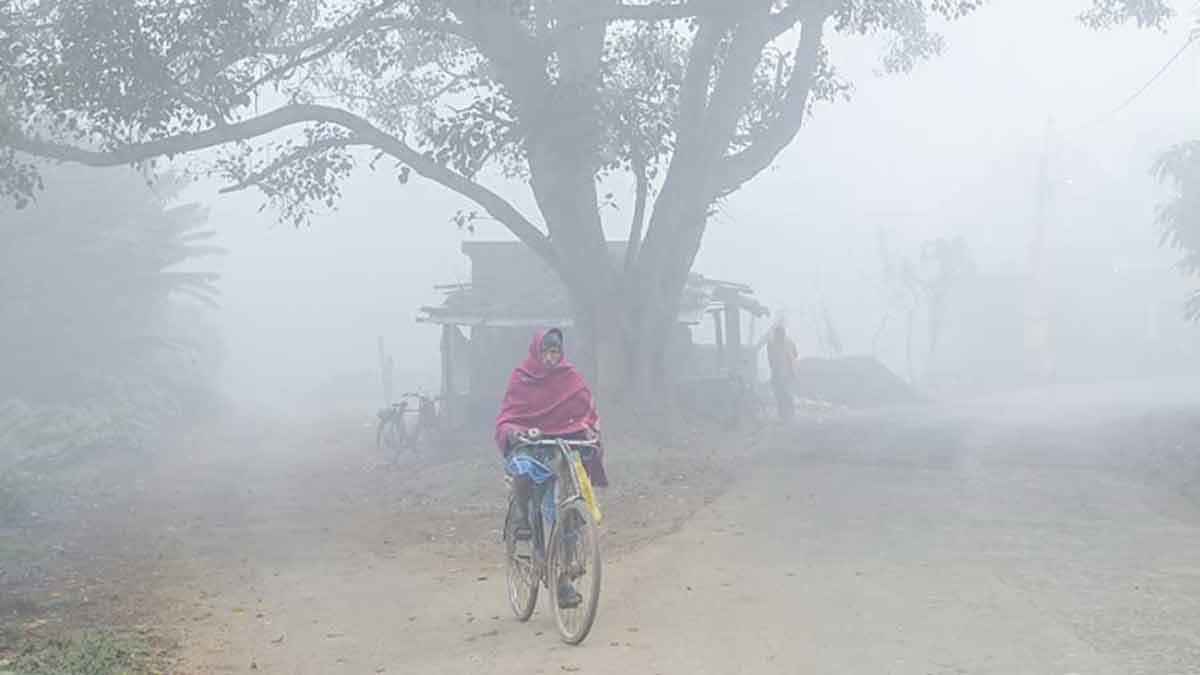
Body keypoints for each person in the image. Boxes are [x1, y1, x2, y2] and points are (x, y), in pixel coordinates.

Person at [495, 328, 608, 608]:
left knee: (566, 512)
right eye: (546, 351)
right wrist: (516, 432)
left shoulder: (571, 378)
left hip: (562, 448)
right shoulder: (522, 377)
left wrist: (590, 432)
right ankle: (522, 521)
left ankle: (564, 581)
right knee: (522, 470)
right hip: (532, 446)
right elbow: (510, 414)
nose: (550, 357)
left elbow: (586, 413)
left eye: (555, 352)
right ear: (537, 351)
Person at [766, 322, 799, 421]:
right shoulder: (772, 343)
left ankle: (788, 414)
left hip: (786, 373)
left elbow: (795, 354)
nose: (780, 335)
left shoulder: (786, 343)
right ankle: (784, 414)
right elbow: (796, 354)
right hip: (779, 373)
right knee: (780, 395)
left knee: (785, 394)